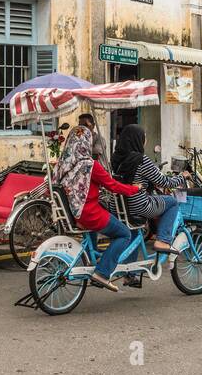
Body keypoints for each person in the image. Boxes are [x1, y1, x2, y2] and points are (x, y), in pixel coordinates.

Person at [55, 124, 140, 292]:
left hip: (73, 212)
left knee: (100, 221)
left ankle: (91, 257)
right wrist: (134, 189)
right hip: (89, 213)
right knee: (124, 233)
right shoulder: (90, 165)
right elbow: (113, 186)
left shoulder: (63, 163)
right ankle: (102, 272)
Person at [111, 124, 186, 255]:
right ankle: (163, 240)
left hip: (119, 205)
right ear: (137, 139)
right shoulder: (140, 159)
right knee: (172, 202)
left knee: (133, 233)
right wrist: (182, 177)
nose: (146, 141)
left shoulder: (115, 158)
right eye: (144, 137)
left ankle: (131, 273)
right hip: (138, 205)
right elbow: (164, 182)